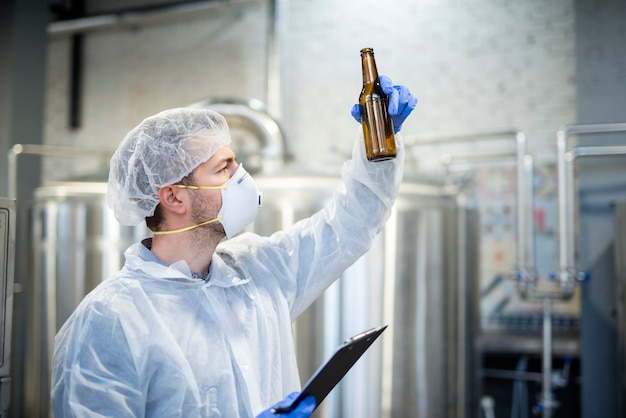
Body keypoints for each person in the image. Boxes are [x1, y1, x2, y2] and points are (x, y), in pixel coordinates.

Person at [50, 75, 417, 417]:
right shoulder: (111, 321)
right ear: (175, 197)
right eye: (224, 168)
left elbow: (350, 225)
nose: (242, 178)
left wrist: (378, 142)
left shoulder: (260, 271)